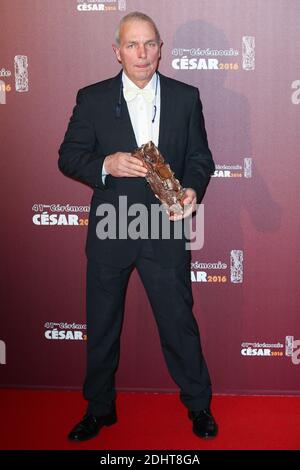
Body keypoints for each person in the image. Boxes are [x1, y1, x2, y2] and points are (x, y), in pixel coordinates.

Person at [58, 11, 217, 442]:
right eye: (132, 45)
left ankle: (199, 405)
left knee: (178, 323)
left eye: (149, 44)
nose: (142, 53)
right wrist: (106, 164)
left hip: (165, 228)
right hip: (112, 229)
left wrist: (192, 192)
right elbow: (68, 156)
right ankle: (99, 408)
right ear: (117, 52)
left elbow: (201, 159)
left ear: (161, 49)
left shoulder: (187, 97)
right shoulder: (91, 99)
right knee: (102, 325)